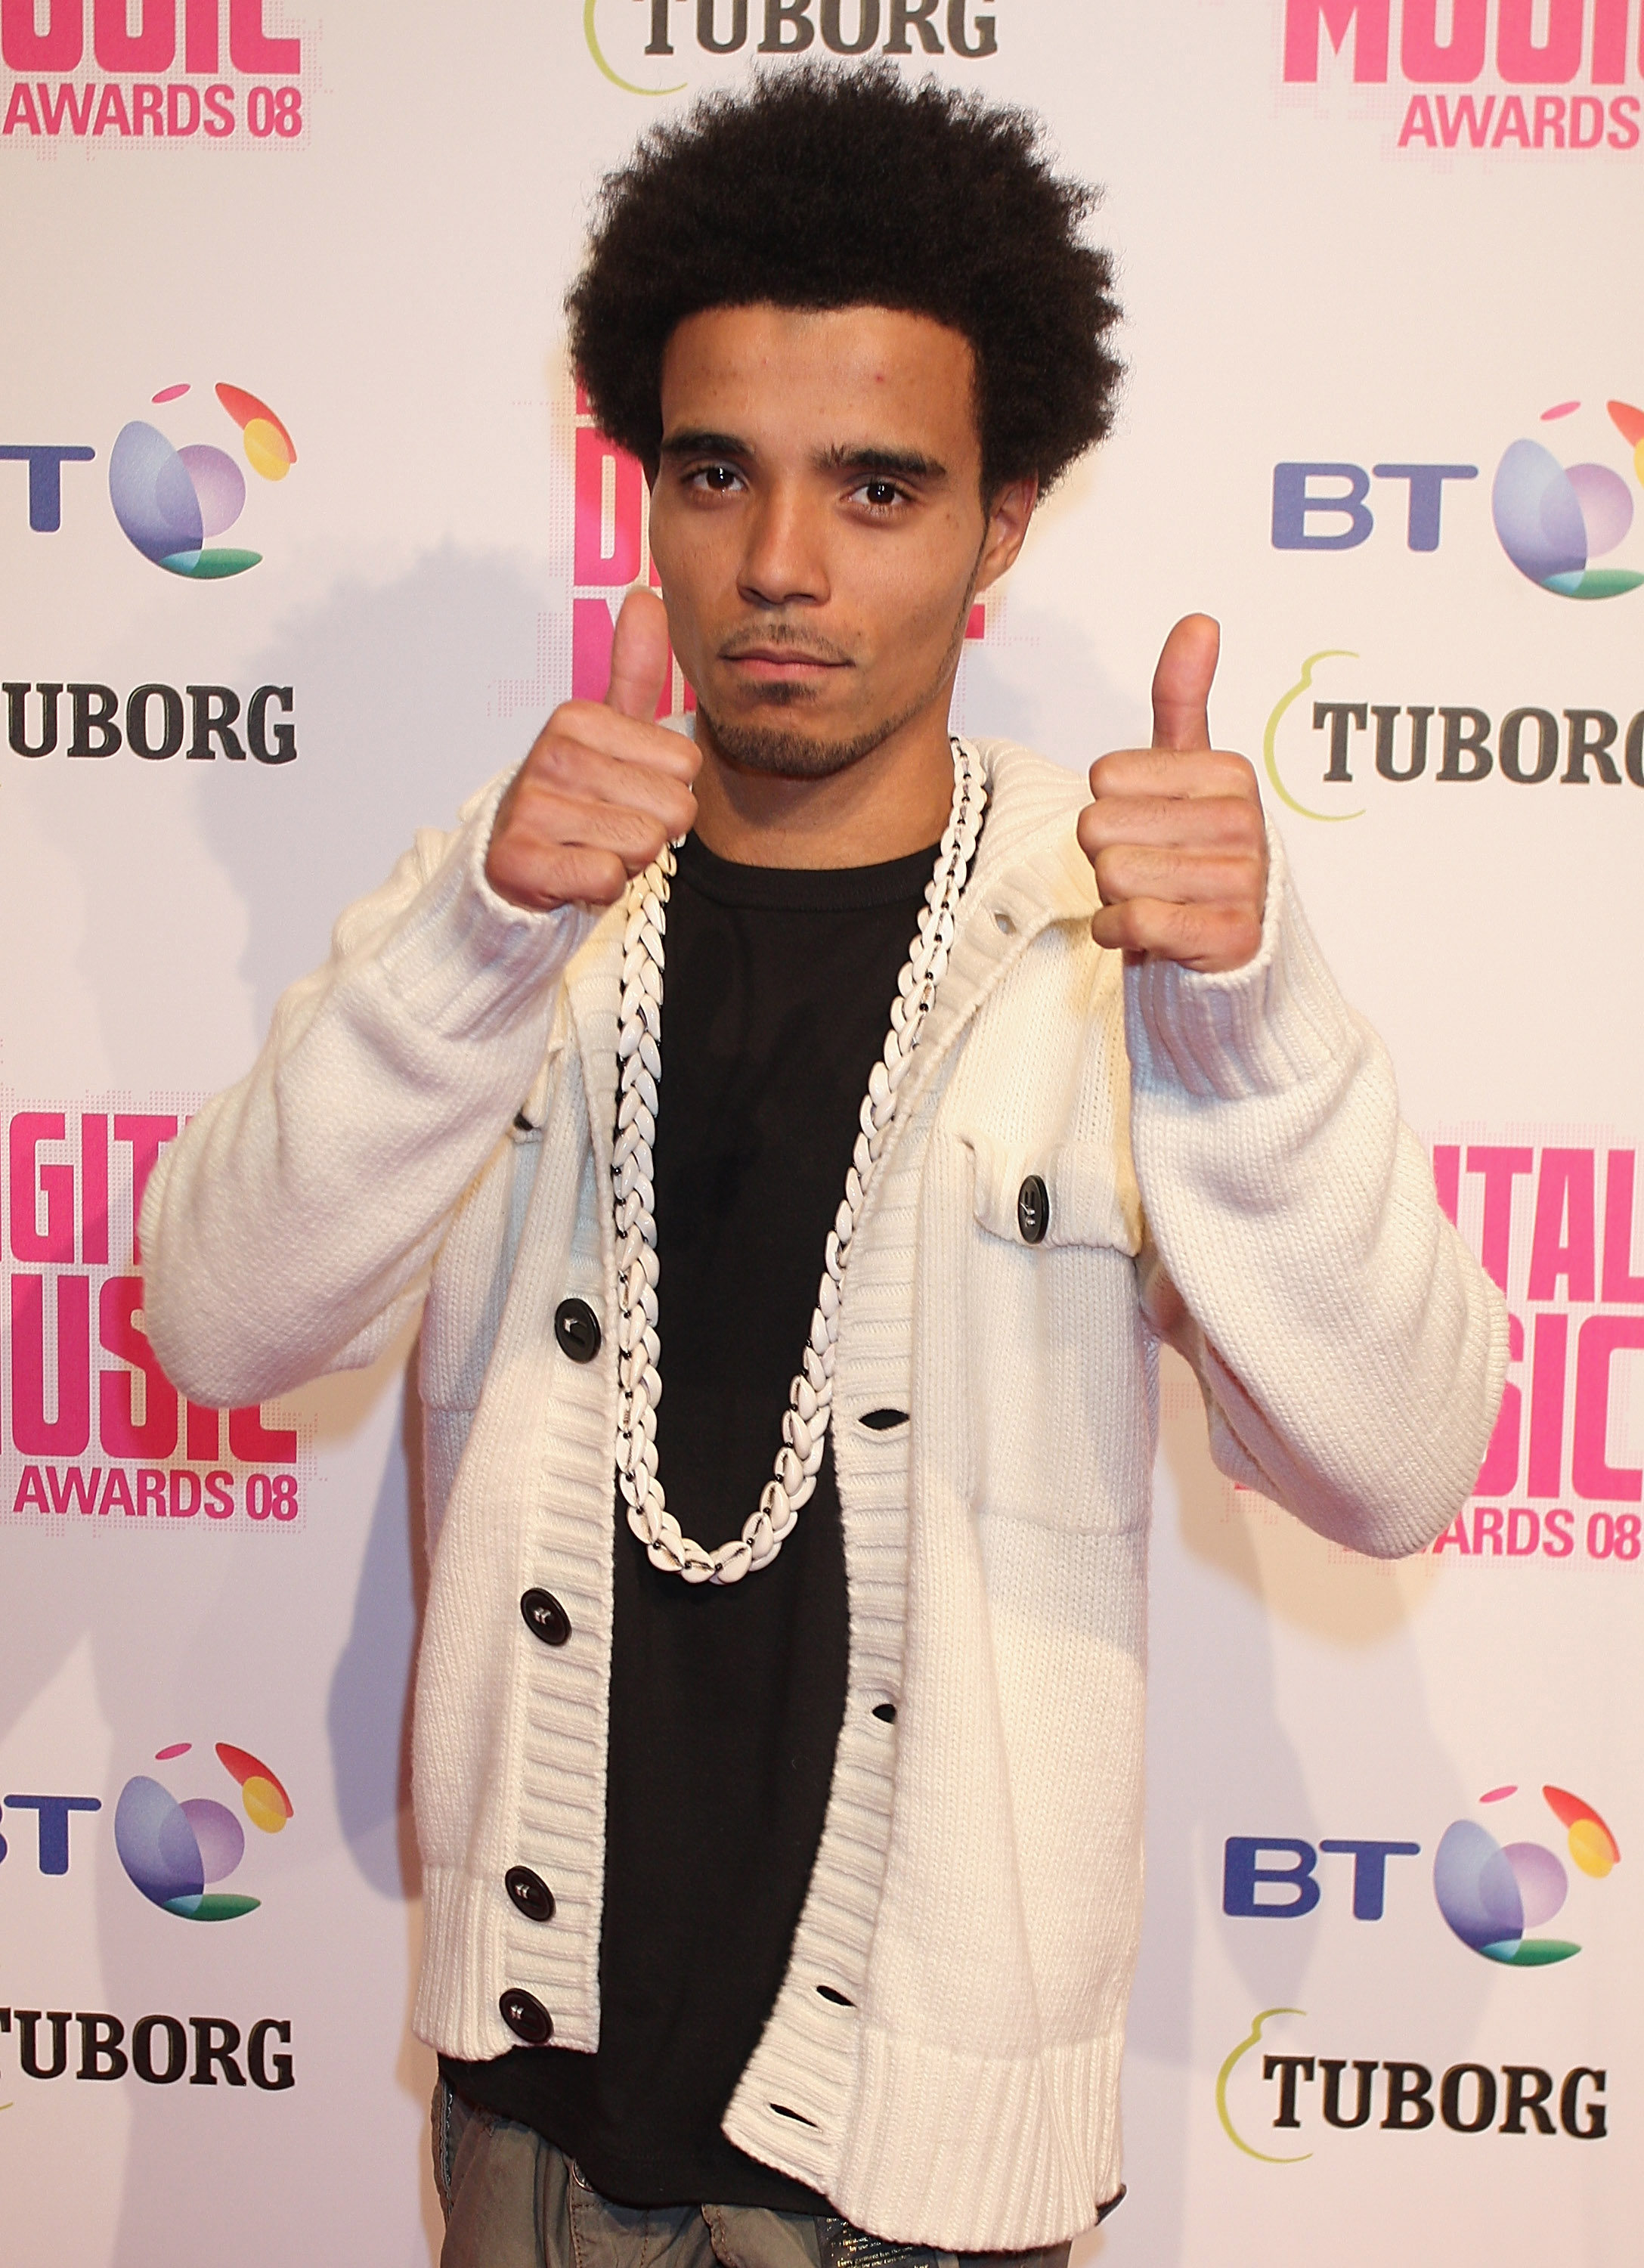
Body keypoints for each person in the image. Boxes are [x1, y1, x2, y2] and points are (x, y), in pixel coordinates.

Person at [142, 63, 1505, 2268]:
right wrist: (484, 941)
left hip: (926, 2174)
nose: (780, 565)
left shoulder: (1129, 935)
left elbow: (1398, 1465)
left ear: (1006, 518)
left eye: (879, 486)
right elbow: (215, 1323)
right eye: (717, 475)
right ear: (650, 495)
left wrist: (1242, 1024)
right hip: (543, 2130)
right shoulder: (506, 909)